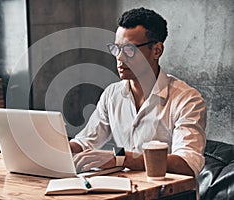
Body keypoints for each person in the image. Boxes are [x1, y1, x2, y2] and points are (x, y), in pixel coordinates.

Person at [70, 7, 206, 177]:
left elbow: (187, 163)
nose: (119, 58)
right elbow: (85, 141)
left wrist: (121, 159)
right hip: (125, 190)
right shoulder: (112, 94)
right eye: (116, 49)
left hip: (167, 193)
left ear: (157, 50)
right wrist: (57, 149)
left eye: (129, 50)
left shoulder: (187, 100)